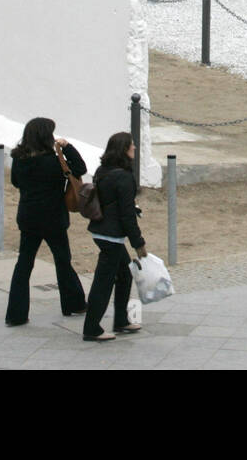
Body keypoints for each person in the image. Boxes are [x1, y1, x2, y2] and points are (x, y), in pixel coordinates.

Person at [6, 117, 88, 326]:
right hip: (53, 217)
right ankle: (74, 303)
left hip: (28, 216)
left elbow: (15, 181)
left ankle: (16, 314)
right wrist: (67, 147)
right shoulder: (53, 161)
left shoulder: (19, 157)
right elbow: (80, 168)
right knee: (62, 260)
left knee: (24, 263)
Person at [83, 131, 147, 342]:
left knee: (124, 274)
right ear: (124, 150)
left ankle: (120, 320)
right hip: (111, 235)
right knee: (104, 281)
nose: (134, 149)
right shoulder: (124, 177)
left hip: (101, 230)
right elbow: (126, 214)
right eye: (131, 146)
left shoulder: (103, 170)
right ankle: (92, 327)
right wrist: (138, 243)